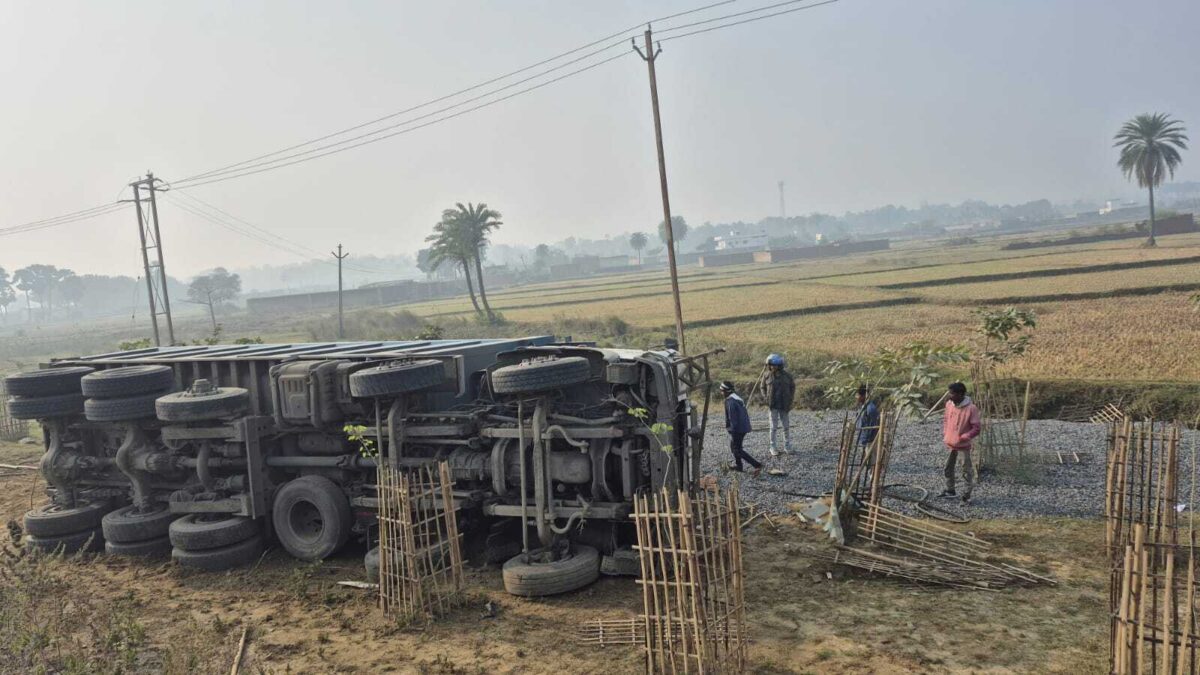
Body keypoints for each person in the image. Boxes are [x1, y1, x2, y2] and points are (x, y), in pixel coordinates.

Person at [940, 382, 981, 505]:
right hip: (950, 442)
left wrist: (965, 436)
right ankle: (950, 490)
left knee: (966, 471)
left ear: (960, 394)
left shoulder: (971, 408)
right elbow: (946, 420)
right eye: (950, 392)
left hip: (963, 445)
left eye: (952, 393)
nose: (950, 395)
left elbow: (976, 428)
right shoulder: (949, 404)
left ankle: (966, 496)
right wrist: (946, 433)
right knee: (948, 468)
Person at [720, 381, 761, 476]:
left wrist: (732, 431)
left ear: (726, 391)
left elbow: (733, 418)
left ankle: (757, 465)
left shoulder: (731, 402)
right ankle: (739, 466)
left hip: (738, 429)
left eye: (722, 391)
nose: (721, 393)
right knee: (734, 447)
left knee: (737, 449)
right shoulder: (736, 398)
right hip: (743, 427)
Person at [764, 354, 795, 457]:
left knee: (786, 427)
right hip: (772, 406)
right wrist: (766, 398)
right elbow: (762, 387)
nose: (773, 367)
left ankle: (787, 446)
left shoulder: (787, 376)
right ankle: (772, 446)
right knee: (773, 427)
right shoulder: (766, 375)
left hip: (784, 406)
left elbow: (792, 388)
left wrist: (790, 400)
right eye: (771, 365)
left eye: (775, 365)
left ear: (780, 366)